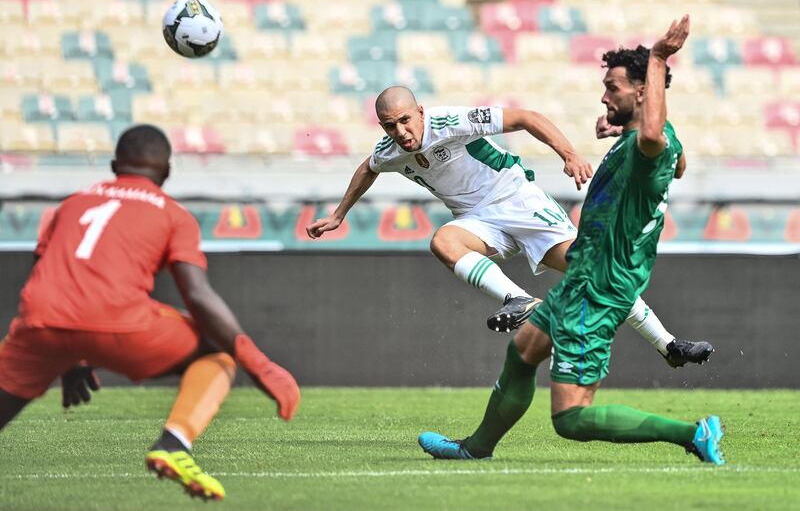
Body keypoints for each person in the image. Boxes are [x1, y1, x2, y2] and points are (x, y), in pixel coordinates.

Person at [418, 15, 725, 465]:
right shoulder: (652, 143)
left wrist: (658, 58)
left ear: (642, 91)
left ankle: (693, 433)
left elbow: (656, 140)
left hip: (600, 288)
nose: (604, 95)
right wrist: (624, 130)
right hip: (587, 275)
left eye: (613, 87)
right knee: (524, 351)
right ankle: (475, 447)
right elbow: (674, 162)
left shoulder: (651, 142)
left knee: (571, 419)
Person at [306, 86, 711, 367]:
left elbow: (525, 117)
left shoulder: (451, 120)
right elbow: (367, 168)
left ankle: (669, 345)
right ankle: (517, 299)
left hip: (517, 200)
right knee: (443, 241)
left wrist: (568, 154)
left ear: (421, 112)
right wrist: (340, 213)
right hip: (478, 221)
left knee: (595, 276)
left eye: (405, 121)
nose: (401, 132)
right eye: (390, 126)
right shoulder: (390, 150)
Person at [0, 125, 301, 500]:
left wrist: (70, 357)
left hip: (40, 324)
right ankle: (175, 444)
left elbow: (43, 273)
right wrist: (258, 364)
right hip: (121, 323)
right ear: (168, 172)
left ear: (114, 165)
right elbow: (198, 296)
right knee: (215, 352)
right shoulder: (174, 214)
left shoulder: (71, 204)